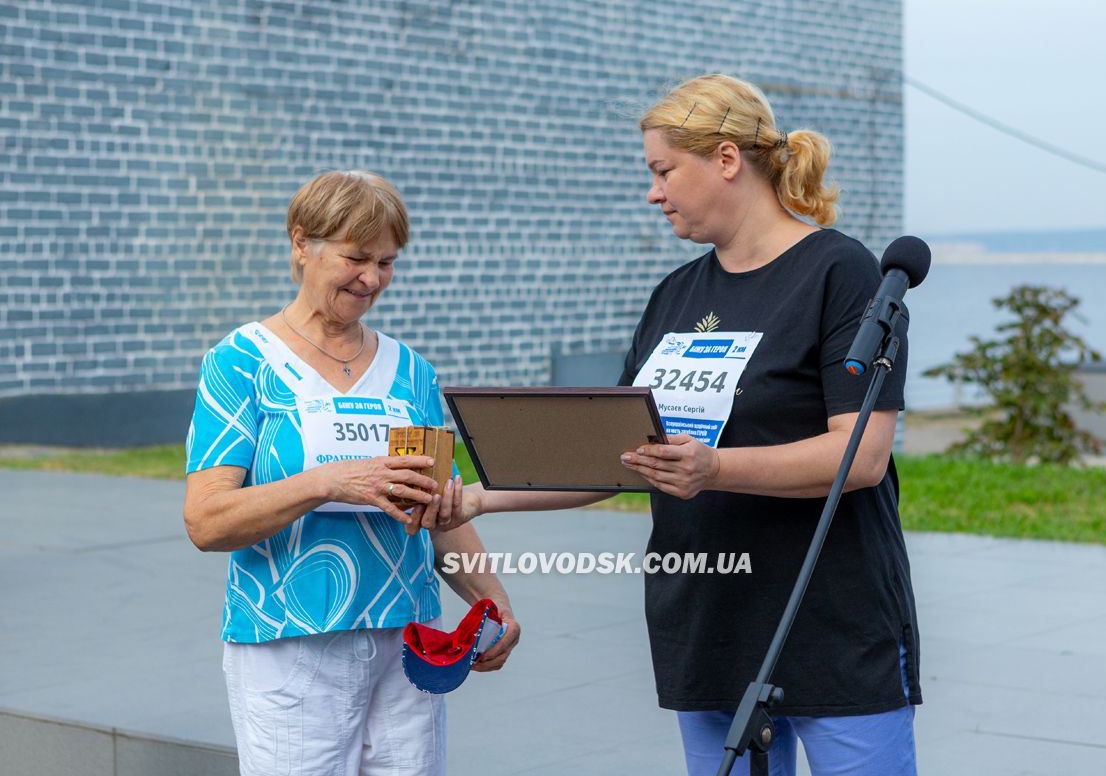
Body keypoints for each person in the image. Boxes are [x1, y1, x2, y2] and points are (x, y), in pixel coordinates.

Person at [439, 74, 920, 776]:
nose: (652, 192)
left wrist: (716, 469)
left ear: (726, 160)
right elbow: (616, 457)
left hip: (832, 621)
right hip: (708, 622)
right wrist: (478, 496)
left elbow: (863, 453)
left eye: (663, 170)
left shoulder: (840, 273)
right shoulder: (676, 294)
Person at [183, 170, 520, 776]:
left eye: (388, 262)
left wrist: (492, 600)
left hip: (408, 643)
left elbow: (436, 510)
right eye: (357, 257)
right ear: (300, 243)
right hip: (290, 643)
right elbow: (207, 521)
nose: (373, 279)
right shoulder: (241, 362)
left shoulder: (411, 371)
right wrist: (328, 482)